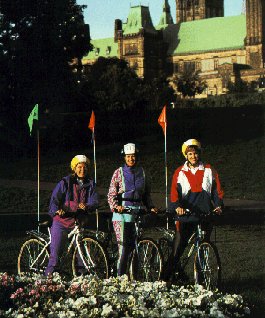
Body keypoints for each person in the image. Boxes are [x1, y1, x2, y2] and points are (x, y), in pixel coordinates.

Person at [166, 139, 224, 282]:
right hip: (185, 215)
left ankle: (201, 281)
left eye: (196, 153)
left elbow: (217, 191)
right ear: (186, 155)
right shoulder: (179, 172)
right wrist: (177, 207)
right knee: (178, 249)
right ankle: (164, 279)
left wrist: (218, 205)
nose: (193, 156)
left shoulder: (210, 170)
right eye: (190, 154)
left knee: (203, 248)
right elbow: (174, 194)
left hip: (205, 215)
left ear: (199, 154)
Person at [107, 143, 158, 276]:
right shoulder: (118, 172)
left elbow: (146, 194)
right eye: (128, 156)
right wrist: (116, 207)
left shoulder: (143, 172)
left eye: (133, 156)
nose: (131, 159)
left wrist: (151, 207)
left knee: (136, 246)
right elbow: (111, 194)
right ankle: (120, 278)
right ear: (124, 157)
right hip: (122, 214)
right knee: (123, 248)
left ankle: (134, 277)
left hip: (138, 213)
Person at [45, 155, 98, 276]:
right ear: (74, 168)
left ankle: (82, 280)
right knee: (55, 256)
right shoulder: (66, 182)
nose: (82, 170)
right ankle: (46, 280)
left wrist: (87, 206)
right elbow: (54, 199)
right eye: (79, 167)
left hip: (77, 222)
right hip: (61, 222)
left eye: (85, 167)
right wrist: (57, 211)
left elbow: (94, 201)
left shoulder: (90, 183)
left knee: (81, 255)